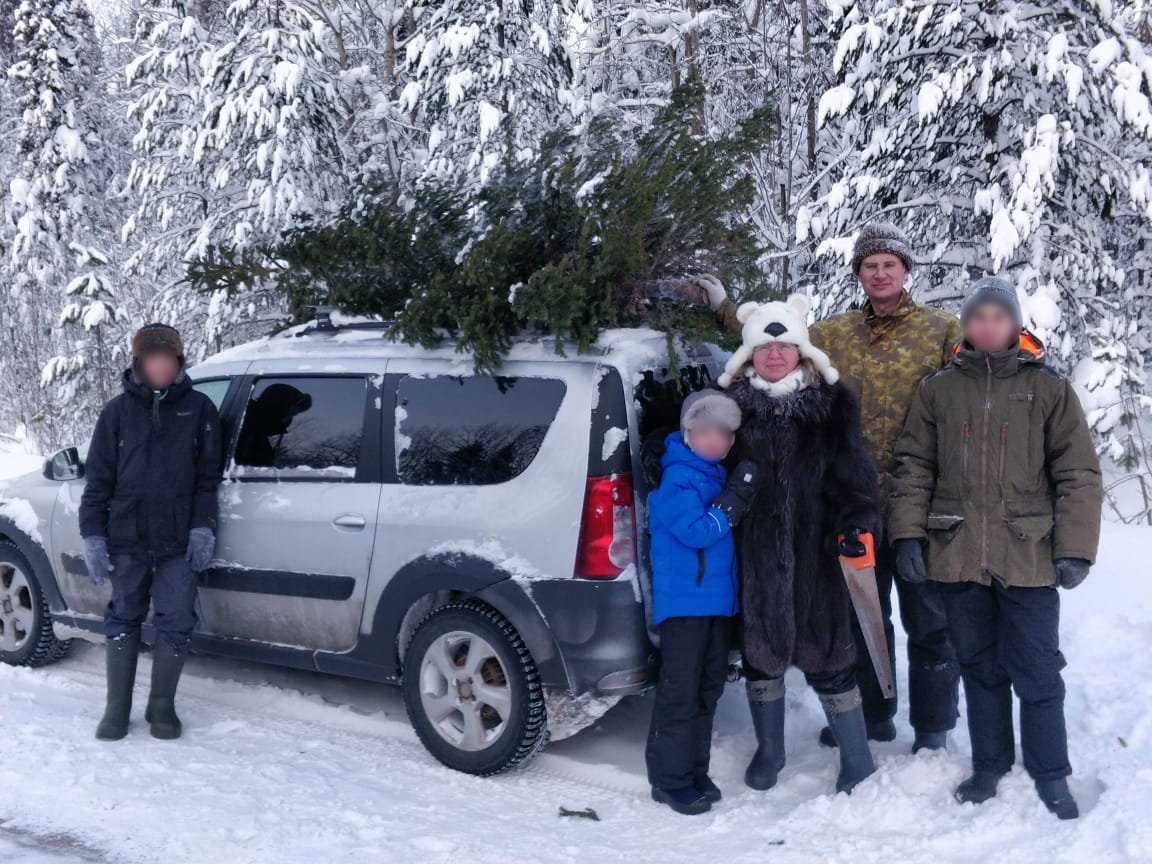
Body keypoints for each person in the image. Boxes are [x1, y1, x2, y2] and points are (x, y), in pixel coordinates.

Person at [704, 221, 962, 753]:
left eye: (890, 264)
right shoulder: (837, 331)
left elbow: (981, 370)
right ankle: (873, 716)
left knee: (929, 619)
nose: (880, 273)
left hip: (920, 500)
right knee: (863, 614)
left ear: (905, 270)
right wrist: (726, 307)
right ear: (859, 274)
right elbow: (775, 337)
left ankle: (933, 728)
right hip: (849, 504)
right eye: (870, 265)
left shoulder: (942, 328)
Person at [889, 277, 1103, 819]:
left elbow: (1077, 472)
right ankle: (990, 765)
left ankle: (1051, 772)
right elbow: (914, 467)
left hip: (1028, 555)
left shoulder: (1048, 389)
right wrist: (909, 534)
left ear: (1014, 324)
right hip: (958, 551)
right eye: (977, 317)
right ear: (966, 325)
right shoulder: (937, 389)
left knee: (1036, 672)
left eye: (997, 317)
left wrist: (1075, 547)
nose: (987, 326)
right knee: (979, 667)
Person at [717, 294, 881, 795]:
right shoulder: (729, 409)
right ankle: (771, 750)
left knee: (832, 656)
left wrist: (855, 522)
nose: (774, 355)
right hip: (755, 556)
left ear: (801, 351)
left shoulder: (833, 406)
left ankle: (857, 758)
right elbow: (700, 455)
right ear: (749, 356)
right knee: (760, 657)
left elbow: (855, 477)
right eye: (764, 349)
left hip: (817, 556)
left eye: (784, 346)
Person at [81, 323, 223, 741]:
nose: (160, 365)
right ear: (138, 363)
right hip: (126, 536)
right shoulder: (116, 413)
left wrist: (202, 527)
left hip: (178, 539)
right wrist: (93, 534)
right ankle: (117, 708)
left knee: (177, 616)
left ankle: (162, 706)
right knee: (123, 613)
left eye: (167, 358)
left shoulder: (199, 409)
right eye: (151, 358)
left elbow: (207, 478)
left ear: (178, 361)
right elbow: (98, 481)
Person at [645, 390, 756, 815]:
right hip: (685, 607)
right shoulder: (677, 477)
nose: (714, 441)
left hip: (715, 605)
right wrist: (734, 502)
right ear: (687, 433)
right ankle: (669, 781)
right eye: (705, 431)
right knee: (680, 692)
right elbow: (696, 531)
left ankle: (694, 770)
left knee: (707, 691)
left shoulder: (710, 475)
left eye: (724, 434)